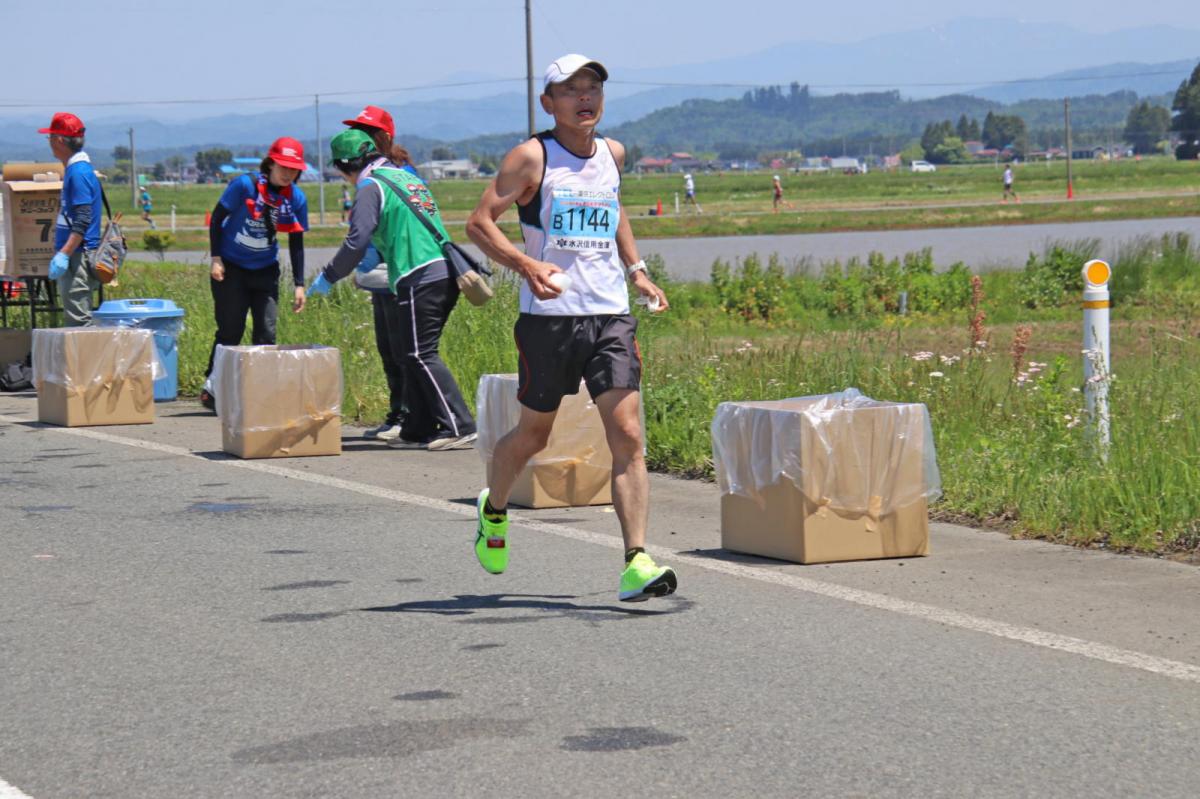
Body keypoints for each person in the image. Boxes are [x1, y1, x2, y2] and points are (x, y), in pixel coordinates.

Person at [465, 54, 678, 602]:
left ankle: (636, 561)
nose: (585, 97)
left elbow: (614, 209)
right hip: (550, 318)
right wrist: (528, 266)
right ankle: (494, 510)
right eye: (571, 89)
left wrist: (638, 271)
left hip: (609, 312)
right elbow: (478, 221)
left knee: (628, 434)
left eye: (593, 88)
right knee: (534, 435)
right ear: (548, 103)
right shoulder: (531, 158)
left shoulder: (613, 153)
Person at [308, 129, 477, 451]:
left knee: (419, 353)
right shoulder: (403, 178)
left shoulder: (371, 187)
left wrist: (330, 276)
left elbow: (357, 241)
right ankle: (418, 429)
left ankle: (459, 425)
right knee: (409, 353)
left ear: (345, 166)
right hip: (442, 270)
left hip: (419, 273)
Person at [199, 137, 310, 411]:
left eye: (293, 169)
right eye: (283, 166)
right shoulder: (244, 185)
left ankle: (258, 391)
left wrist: (299, 284)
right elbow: (216, 219)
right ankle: (213, 388)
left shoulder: (295, 198)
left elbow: (296, 241)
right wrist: (216, 259)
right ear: (270, 163)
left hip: (265, 270)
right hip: (231, 267)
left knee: (267, 333)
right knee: (230, 330)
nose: (287, 173)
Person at [41, 112, 102, 326]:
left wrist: (64, 254)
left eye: (49, 137)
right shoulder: (76, 169)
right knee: (77, 318)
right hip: (76, 255)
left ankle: (84, 360)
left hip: (78, 257)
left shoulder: (77, 172)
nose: (48, 142)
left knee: (79, 322)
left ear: (59, 140)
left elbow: (83, 217)